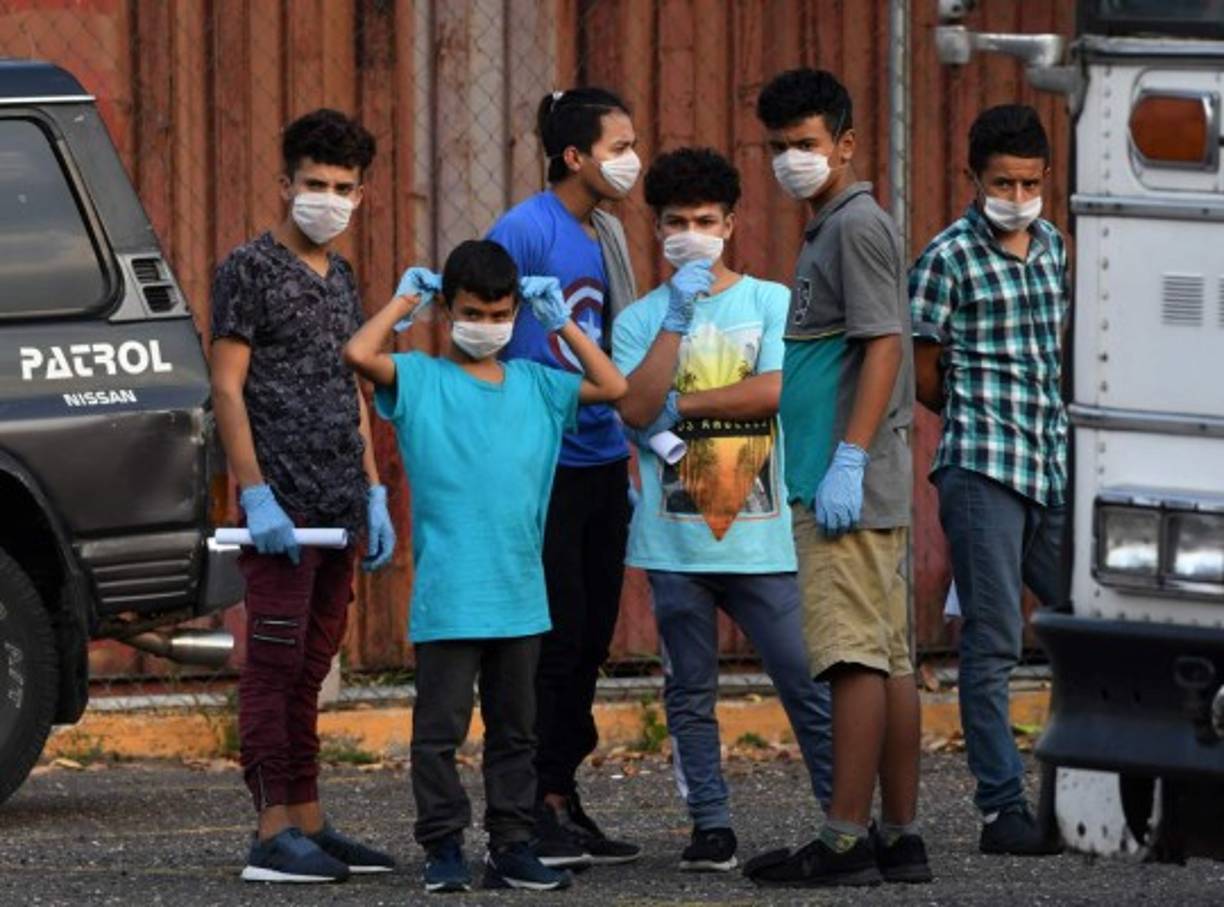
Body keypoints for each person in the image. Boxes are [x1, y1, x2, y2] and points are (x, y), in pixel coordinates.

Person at [343, 240, 628, 893]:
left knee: (516, 733)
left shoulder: (538, 383)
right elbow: (359, 354)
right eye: (473, 311)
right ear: (449, 310)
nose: (488, 325)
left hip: (521, 596)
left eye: (501, 313)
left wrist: (559, 323)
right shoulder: (420, 377)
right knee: (437, 734)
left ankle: (511, 844)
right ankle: (443, 845)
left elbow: (614, 386)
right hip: (449, 598)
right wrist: (405, 299)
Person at [611, 146, 833, 873]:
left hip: (764, 543)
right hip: (675, 545)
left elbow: (775, 388)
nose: (691, 234)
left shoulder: (770, 301)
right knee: (689, 693)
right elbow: (632, 406)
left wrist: (686, 401)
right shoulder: (642, 321)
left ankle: (843, 811)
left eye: (706, 220)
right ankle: (710, 823)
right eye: (676, 221)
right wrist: (674, 324)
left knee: (807, 680)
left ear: (731, 223)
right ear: (656, 228)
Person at [743, 68, 930, 887]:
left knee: (853, 657)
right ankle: (900, 836)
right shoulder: (830, 226)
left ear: (845, 145)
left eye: (807, 145)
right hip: (846, 471)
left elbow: (884, 341)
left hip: (843, 479)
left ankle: (846, 838)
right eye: (779, 147)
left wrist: (848, 457)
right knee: (886, 658)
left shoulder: (855, 226)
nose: (792, 159)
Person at [210, 108, 397, 883]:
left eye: (343, 186)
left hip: (338, 505)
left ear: (363, 193)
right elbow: (225, 385)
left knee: (314, 661)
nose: (328, 198)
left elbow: (350, 387)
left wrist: (375, 489)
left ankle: (310, 819)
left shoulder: (344, 276)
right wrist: (256, 495)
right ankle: (269, 832)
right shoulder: (247, 269)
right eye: (314, 183)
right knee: (275, 664)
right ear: (284, 184)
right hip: (280, 510)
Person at [485, 87, 642, 867]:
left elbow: (618, 336)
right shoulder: (527, 228)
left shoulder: (606, 230)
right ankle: (531, 802)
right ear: (575, 156)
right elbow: (479, 327)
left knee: (590, 637)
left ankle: (561, 790)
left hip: (603, 455)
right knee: (553, 634)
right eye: (618, 146)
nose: (630, 159)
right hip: (544, 464)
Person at [909, 104, 1067, 857]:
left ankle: (1076, 789)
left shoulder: (1057, 248)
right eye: (1001, 181)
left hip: (1051, 460)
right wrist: (979, 406)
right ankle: (1003, 807)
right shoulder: (946, 257)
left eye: (1029, 181)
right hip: (982, 464)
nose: (1016, 193)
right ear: (972, 178)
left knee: (1081, 616)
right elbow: (924, 373)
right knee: (995, 640)